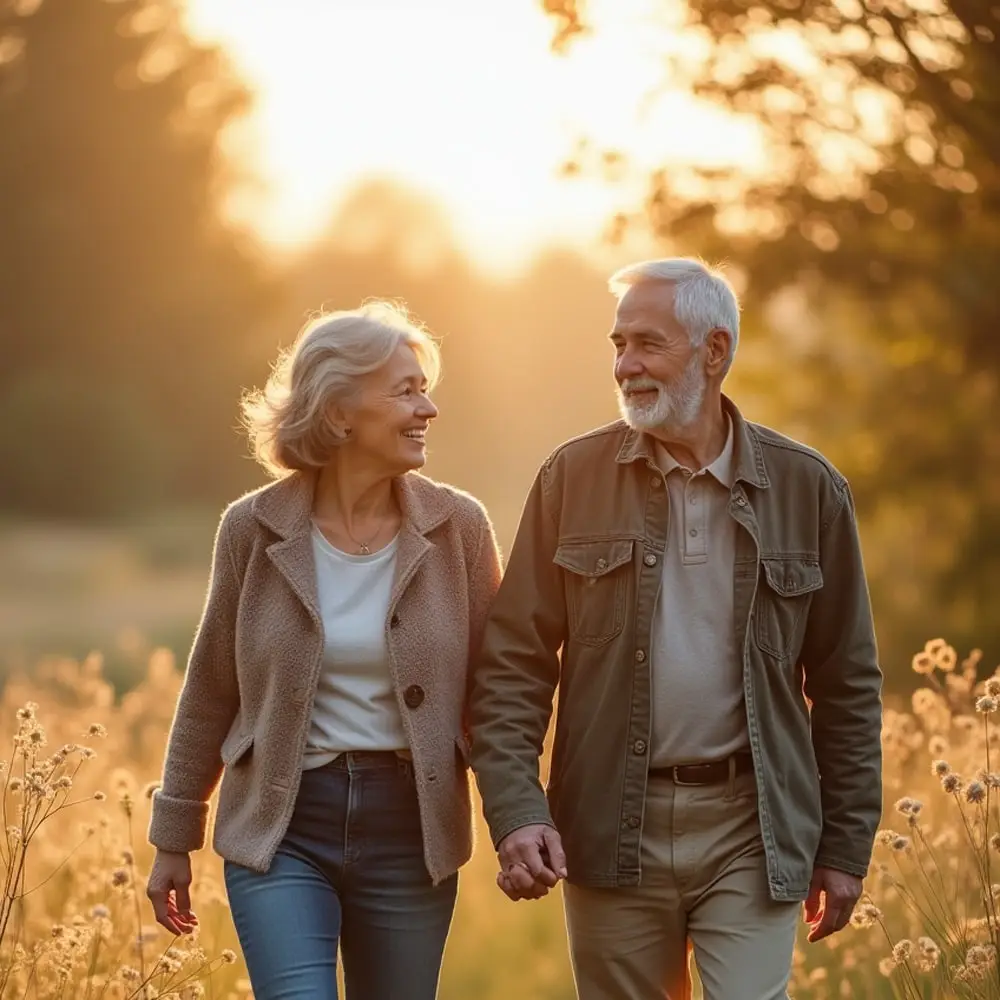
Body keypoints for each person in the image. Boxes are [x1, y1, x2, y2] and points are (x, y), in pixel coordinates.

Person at [468, 258, 883, 1000]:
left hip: (752, 826)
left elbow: (847, 683)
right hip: (607, 825)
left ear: (714, 351)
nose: (626, 365)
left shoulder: (808, 489)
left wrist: (846, 845)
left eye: (647, 344)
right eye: (618, 344)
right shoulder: (572, 478)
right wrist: (517, 811)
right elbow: (512, 664)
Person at [146, 300, 502, 1000]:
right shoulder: (252, 528)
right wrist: (173, 835)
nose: (428, 408)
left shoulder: (459, 528)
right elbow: (212, 688)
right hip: (283, 828)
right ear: (340, 411)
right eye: (406, 390)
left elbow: (496, 696)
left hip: (411, 832)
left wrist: (518, 821)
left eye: (424, 388)